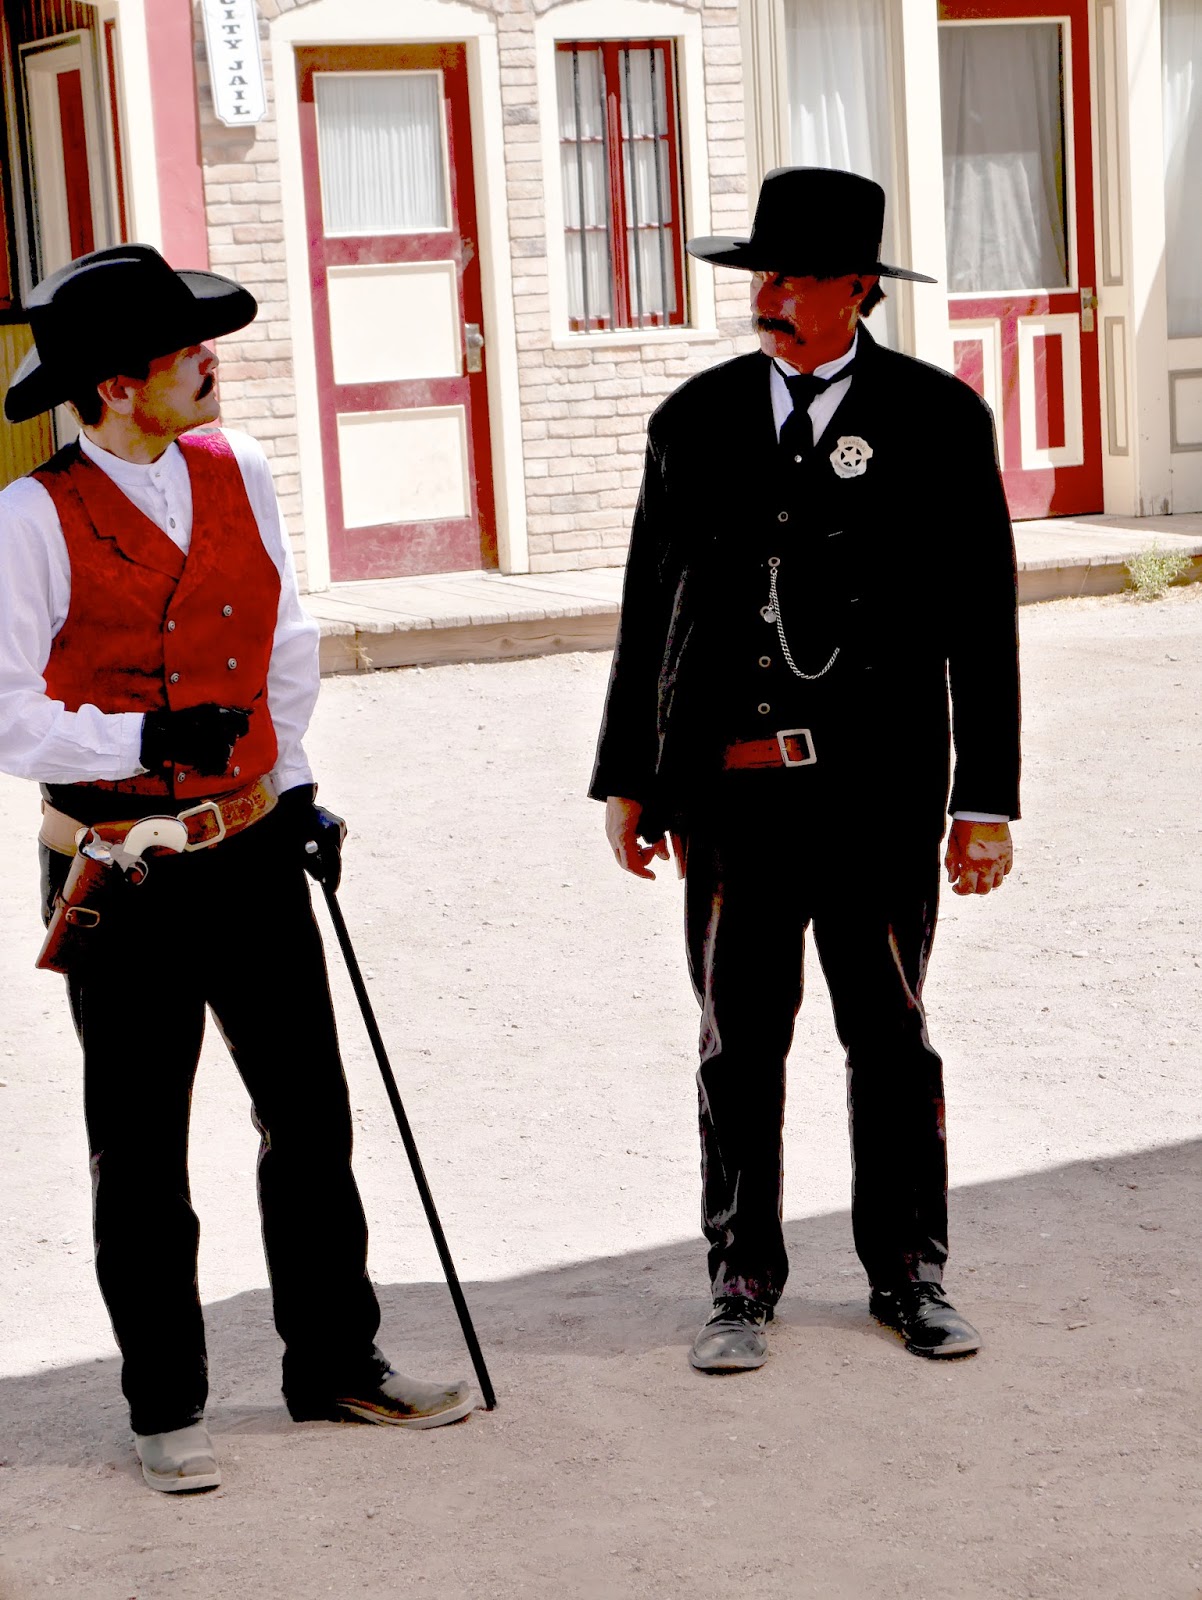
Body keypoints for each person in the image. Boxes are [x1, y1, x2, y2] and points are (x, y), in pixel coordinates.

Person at [0, 244, 473, 1493]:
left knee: (310, 1115)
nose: (211, 363)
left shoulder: (238, 466)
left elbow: (284, 640)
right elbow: (6, 714)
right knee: (141, 1149)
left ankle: (335, 1363)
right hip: (123, 865)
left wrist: (297, 783)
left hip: (252, 843)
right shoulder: (28, 519)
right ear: (117, 384)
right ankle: (165, 1402)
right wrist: (144, 739)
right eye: (186, 351)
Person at [590, 168, 1020, 1373]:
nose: (766, 297)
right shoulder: (692, 420)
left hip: (878, 798)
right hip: (733, 798)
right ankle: (739, 1278)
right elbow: (649, 610)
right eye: (759, 275)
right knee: (737, 1042)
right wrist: (631, 776)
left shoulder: (937, 418)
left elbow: (982, 621)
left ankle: (908, 1273)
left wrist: (983, 801)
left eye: (790, 278)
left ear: (857, 289)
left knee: (888, 1036)